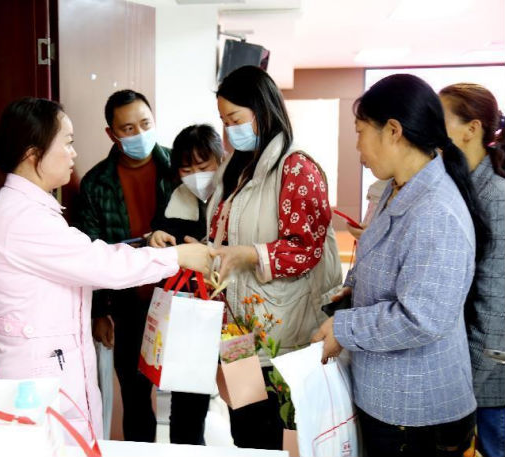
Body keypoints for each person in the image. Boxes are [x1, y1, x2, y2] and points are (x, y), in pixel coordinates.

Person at [0, 97, 211, 441]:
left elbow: (87, 256)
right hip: (42, 371)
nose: (74, 153)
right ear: (33, 153)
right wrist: (178, 257)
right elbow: (101, 265)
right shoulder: (25, 218)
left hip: (52, 362)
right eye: (67, 142)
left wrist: (148, 245)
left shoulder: (31, 208)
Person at [313, 74, 487, 457]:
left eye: (360, 132)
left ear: (393, 131)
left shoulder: (436, 210)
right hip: (388, 398)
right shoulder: (397, 189)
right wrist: (354, 287)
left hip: (416, 410)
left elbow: (422, 317)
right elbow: (382, 256)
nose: (357, 147)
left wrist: (344, 327)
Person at [208, 65, 342, 450]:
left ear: (263, 111)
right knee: (245, 432)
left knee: (275, 435)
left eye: (236, 119)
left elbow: (306, 248)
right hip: (236, 332)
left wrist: (250, 254)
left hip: (281, 333)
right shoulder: (236, 169)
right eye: (224, 121)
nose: (229, 130)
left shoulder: (296, 168)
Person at [77, 90, 175, 442]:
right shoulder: (95, 183)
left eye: (145, 124)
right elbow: (90, 254)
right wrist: (99, 312)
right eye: (128, 128)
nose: (140, 134)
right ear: (112, 133)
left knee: (186, 400)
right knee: (135, 399)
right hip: (127, 303)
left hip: (177, 298)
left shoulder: (178, 168)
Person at [148, 124, 224, 445]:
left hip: (237, 313)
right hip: (193, 315)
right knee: (186, 410)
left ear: (221, 159)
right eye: (186, 169)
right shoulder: (176, 197)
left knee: (247, 401)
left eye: (204, 167)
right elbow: (162, 237)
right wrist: (155, 238)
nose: (196, 177)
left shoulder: (238, 194)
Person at [440, 83, 505, 457]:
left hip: (490, 381)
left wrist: (464, 388)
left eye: (441, 120)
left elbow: (494, 309)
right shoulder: (458, 185)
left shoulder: (496, 197)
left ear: (472, 128)